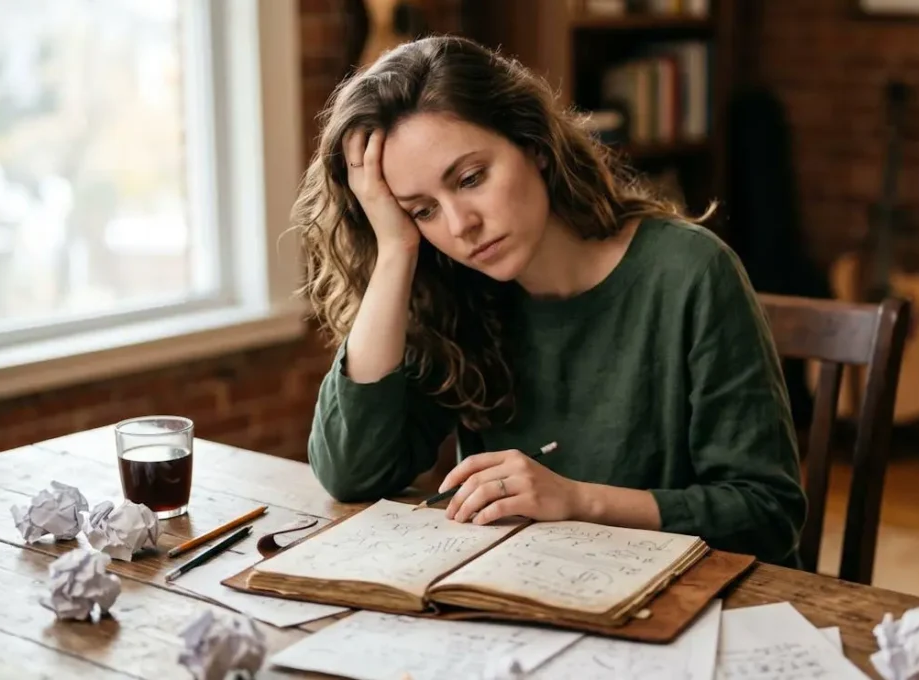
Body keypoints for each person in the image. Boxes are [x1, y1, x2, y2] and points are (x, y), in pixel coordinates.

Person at [293, 34, 807, 567]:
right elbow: (350, 473)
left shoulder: (690, 272)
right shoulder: (453, 287)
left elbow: (766, 513)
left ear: (532, 143)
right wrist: (396, 248)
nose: (460, 225)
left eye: (471, 178)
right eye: (422, 210)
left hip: (691, 606)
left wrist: (577, 500)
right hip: (526, 599)